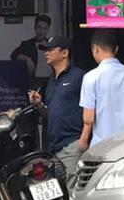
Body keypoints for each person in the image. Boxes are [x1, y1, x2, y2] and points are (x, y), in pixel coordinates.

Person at [28, 36, 85, 185]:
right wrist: (39, 105)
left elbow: (90, 109)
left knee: (72, 189)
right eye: (45, 50)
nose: (46, 53)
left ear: (65, 53)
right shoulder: (50, 80)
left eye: (51, 49)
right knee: (57, 192)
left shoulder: (79, 77)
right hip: (53, 148)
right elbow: (50, 114)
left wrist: (83, 141)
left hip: (73, 144)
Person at [79, 30, 124, 150]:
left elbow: (88, 119)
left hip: (101, 146)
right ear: (116, 49)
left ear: (95, 49)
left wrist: (83, 141)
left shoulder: (91, 77)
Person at [10, 14, 53, 90]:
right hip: (34, 81)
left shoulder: (52, 44)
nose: (42, 31)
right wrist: (26, 58)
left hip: (50, 81)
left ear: (48, 29)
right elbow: (14, 55)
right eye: (39, 28)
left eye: (45, 28)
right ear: (35, 28)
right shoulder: (27, 44)